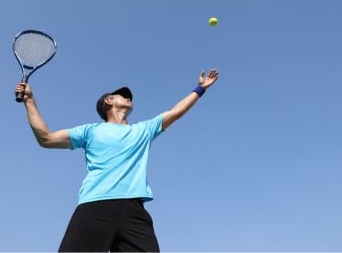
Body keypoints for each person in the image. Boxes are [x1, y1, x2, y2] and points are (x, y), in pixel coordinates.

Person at [14, 69, 219, 252]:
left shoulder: (142, 130)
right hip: (95, 206)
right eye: (123, 95)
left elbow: (176, 112)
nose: (129, 97)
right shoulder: (90, 131)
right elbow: (46, 138)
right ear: (108, 101)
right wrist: (30, 101)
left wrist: (199, 89)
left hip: (134, 211)